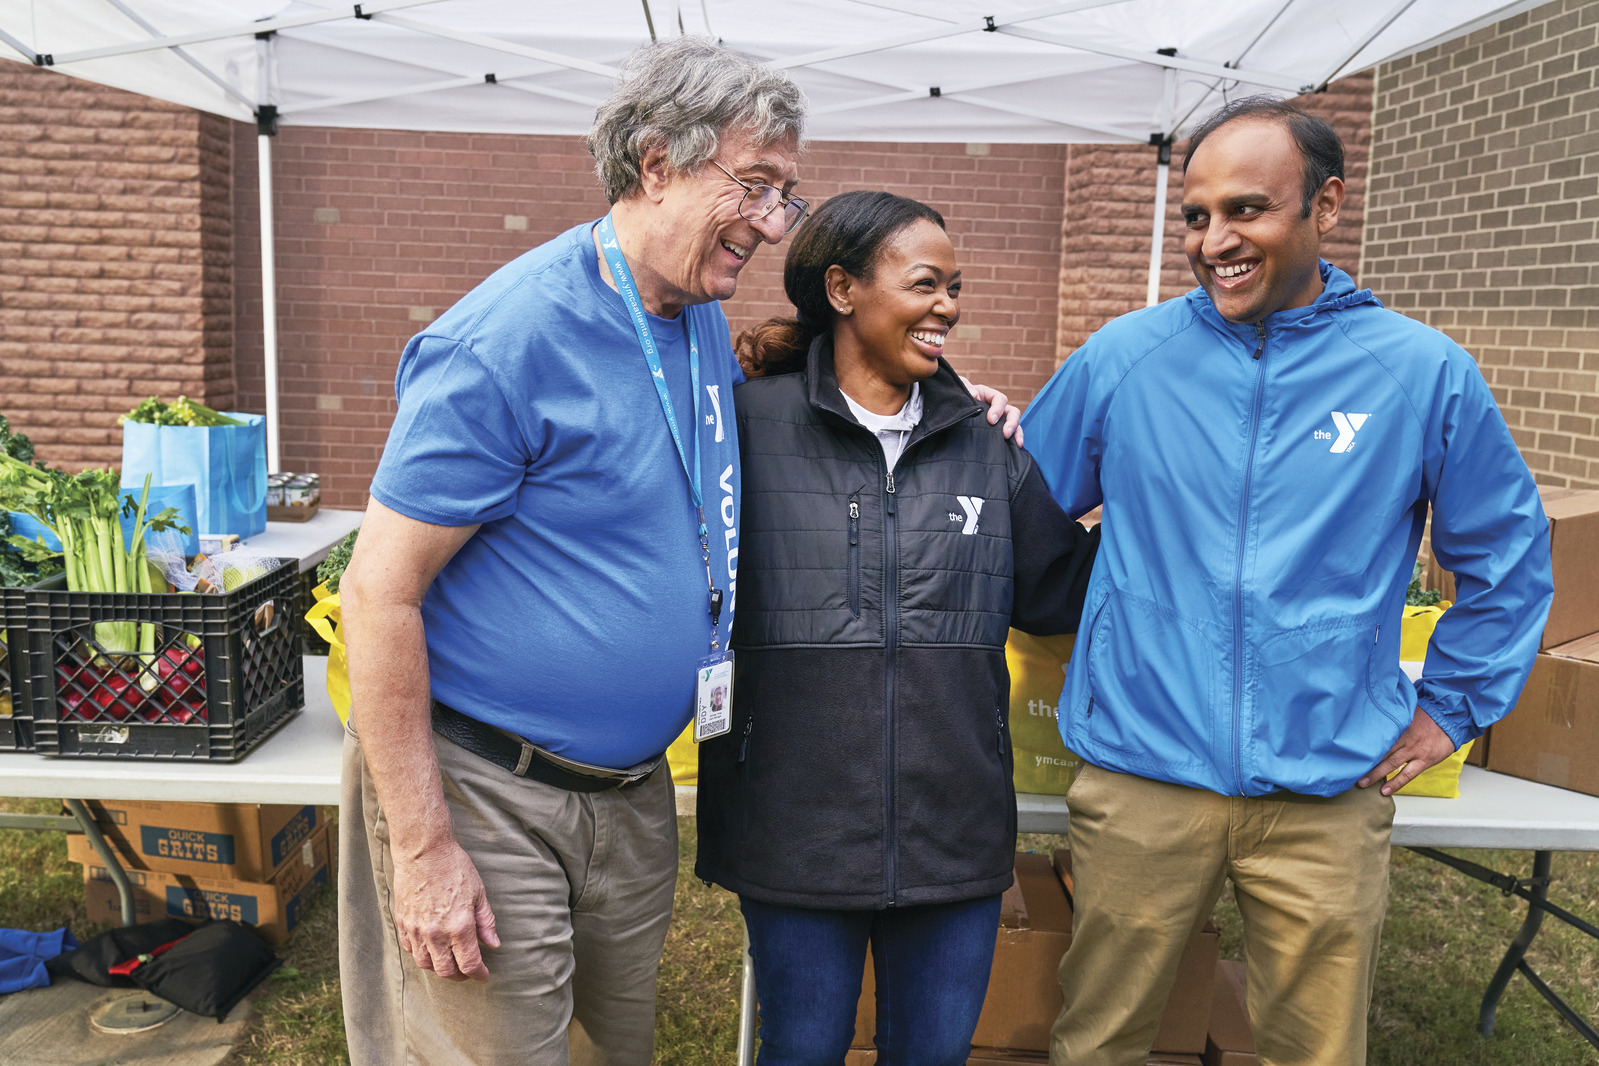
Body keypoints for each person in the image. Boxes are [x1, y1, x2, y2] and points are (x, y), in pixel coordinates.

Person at [335, 38, 1021, 1066]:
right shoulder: (506, 341)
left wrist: (960, 402)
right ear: (656, 162)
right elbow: (378, 592)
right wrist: (428, 847)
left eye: (786, 193)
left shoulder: (693, 315)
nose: (772, 221)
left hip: (628, 789)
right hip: (491, 790)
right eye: (754, 184)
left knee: (617, 1048)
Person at [1020, 96, 1554, 1066]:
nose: (1214, 239)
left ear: (1327, 205)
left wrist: (1454, 705)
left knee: (1315, 1055)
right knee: (1096, 1043)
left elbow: (1509, 559)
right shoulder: (1123, 360)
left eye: (1247, 211)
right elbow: (1016, 513)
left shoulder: (1421, 374)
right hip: (1143, 776)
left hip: (1326, 787)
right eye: (1196, 215)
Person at [695, 190, 1100, 1066]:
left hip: (952, 831)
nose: (947, 306)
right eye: (926, 283)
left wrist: (1167, 498)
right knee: (800, 1049)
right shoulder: (742, 428)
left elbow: (1065, 593)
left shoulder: (985, 445)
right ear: (842, 289)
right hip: (793, 827)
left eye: (954, 287)